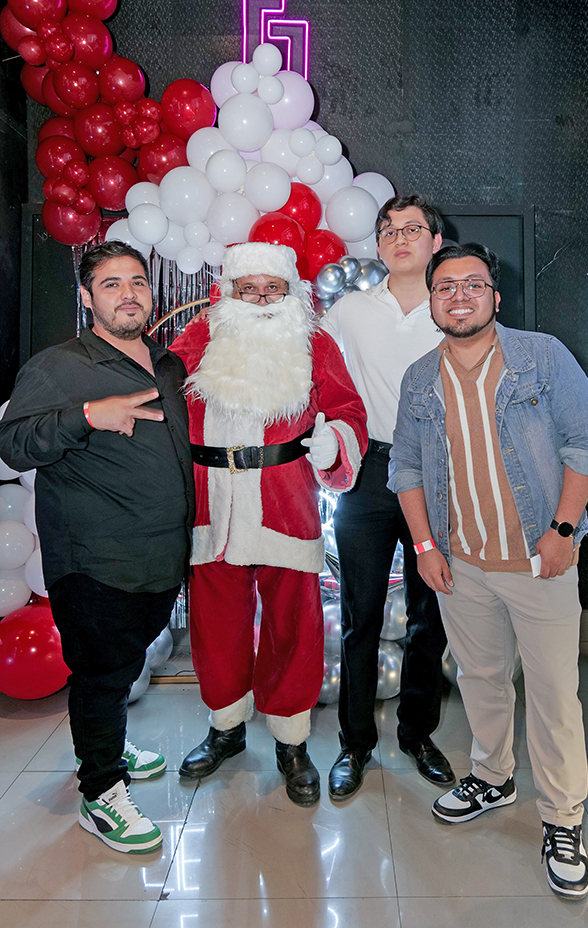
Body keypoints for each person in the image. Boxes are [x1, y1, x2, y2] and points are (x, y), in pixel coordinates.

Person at [388, 242, 588, 899]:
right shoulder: (418, 378)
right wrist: (425, 547)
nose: (458, 296)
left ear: (495, 295)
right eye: (445, 287)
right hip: (461, 563)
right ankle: (492, 777)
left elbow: (587, 441)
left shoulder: (541, 357)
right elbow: (405, 466)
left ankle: (562, 818)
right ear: (431, 302)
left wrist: (563, 531)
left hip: (539, 562)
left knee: (553, 694)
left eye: (473, 285)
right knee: (481, 681)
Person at [0, 241, 195, 854]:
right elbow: (13, 444)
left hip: (160, 553)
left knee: (123, 662)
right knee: (101, 672)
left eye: (137, 281)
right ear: (87, 298)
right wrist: (87, 415)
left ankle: (105, 742)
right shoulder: (59, 366)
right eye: (111, 284)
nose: (128, 294)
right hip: (94, 557)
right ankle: (101, 792)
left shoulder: (168, 365)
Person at [171, 241, 367, 807]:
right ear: (228, 292)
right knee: (216, 625)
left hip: (285, 500)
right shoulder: (200, 336)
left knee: (293, 626)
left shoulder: (314, 342)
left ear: (290, 293)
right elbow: (160, 400)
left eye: (272, 289)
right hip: (212, 505)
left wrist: (335, 441)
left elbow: (348, 410)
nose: (260, 299)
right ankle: (226, 727)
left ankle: (291, 741)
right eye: (248, 289)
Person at [320, 193, 453, 801]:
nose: (400, 238)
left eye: (413, 228)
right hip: (369, 472)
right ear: (377, 245)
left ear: (435, 242)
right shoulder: (350, 310)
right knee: (360, 615)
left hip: (439, 474)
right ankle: (354, 743)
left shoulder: (453, 306)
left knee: (431, 614)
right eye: (389, 230)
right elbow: (311, 368)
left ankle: (418, 735)